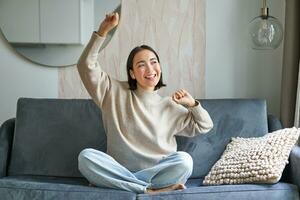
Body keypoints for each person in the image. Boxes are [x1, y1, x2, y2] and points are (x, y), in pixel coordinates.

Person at [77, 12, 213, 194]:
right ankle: (148, 191)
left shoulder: (170, 106)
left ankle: (123, 185)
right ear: (132, 73)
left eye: (153, 62)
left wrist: (192, 104)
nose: (150, 69)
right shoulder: (111, 91)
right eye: (141, 65)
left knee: (185, 161)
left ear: (160, 67)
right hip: (121, 170)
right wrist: (103, 31)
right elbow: (85, 65)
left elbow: (205, 125)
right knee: (86, 157)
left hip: (155, 173)